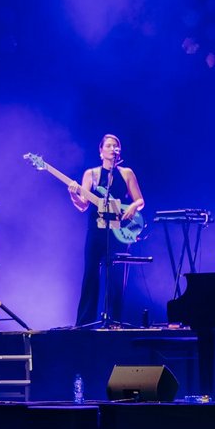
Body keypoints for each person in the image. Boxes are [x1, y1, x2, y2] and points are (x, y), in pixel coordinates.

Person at [68, 134, 145, 326]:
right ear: (101, 151)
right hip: (96, 231)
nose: (113, 149)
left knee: (117, 277)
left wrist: (133, 207)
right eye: (109, 146)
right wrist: (73, 195)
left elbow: (140, 200)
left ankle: (114, 321)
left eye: (116, 146)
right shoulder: (91, 174)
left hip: (118, 231)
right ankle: (85, 323)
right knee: (91, 274)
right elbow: (83, 205)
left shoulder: (127, 173)